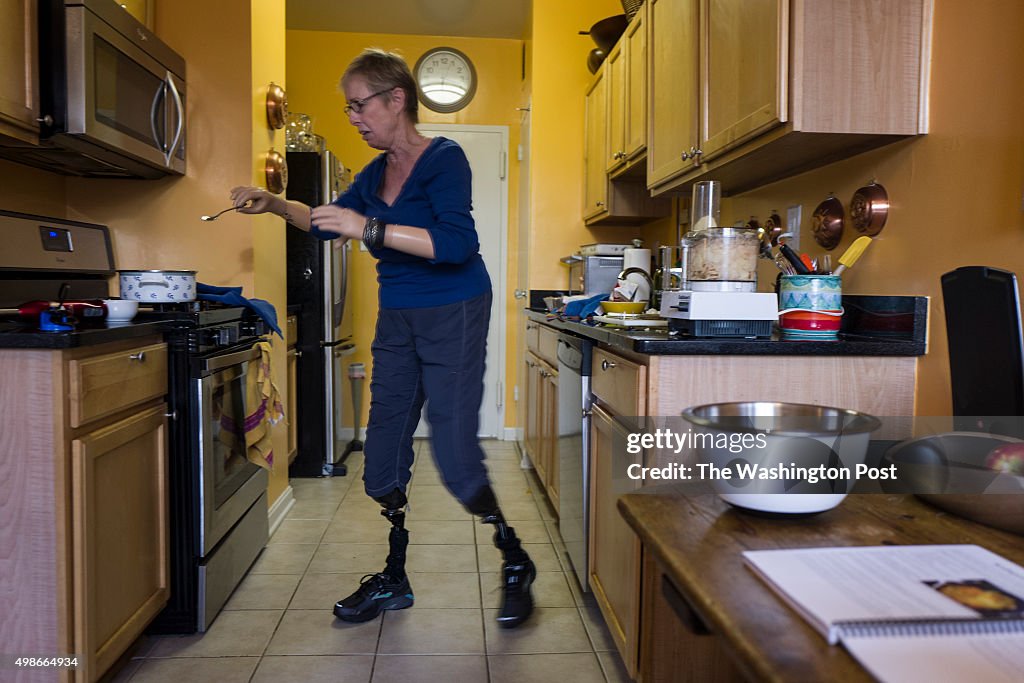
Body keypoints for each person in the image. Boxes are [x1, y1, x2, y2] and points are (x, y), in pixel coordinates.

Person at [229, 48, 535, 628]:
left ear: (397, 100)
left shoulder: (444, 160)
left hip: (455, 310)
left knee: (454, 457)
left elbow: (455, 246)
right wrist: (275, 205)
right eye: (348, 109)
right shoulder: (371, 176)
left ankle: (514, 557)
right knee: (381, 460)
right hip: (398, 317)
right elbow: (324, 220)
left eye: (359, 105)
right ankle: (395, 576)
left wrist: (366, 227)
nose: (354, 118)